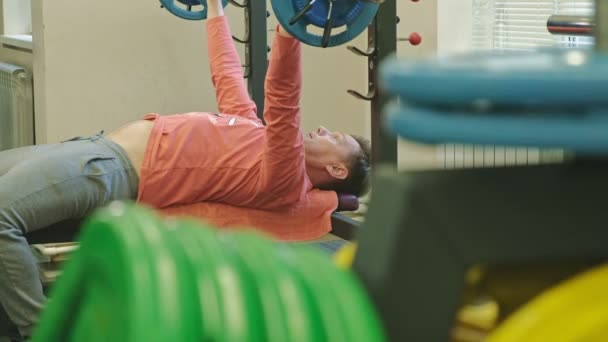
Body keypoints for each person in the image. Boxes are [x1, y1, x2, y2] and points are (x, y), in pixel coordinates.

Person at [0, 0, 371, 338]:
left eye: (334, 136)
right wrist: (214, 8)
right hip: (92, 147)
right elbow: (226, 75)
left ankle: (39, 332)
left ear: (337, 168)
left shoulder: (285, 179)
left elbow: (283, 98)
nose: (323, 129)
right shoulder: (252, 129)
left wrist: (291, 28)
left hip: (109, 169)